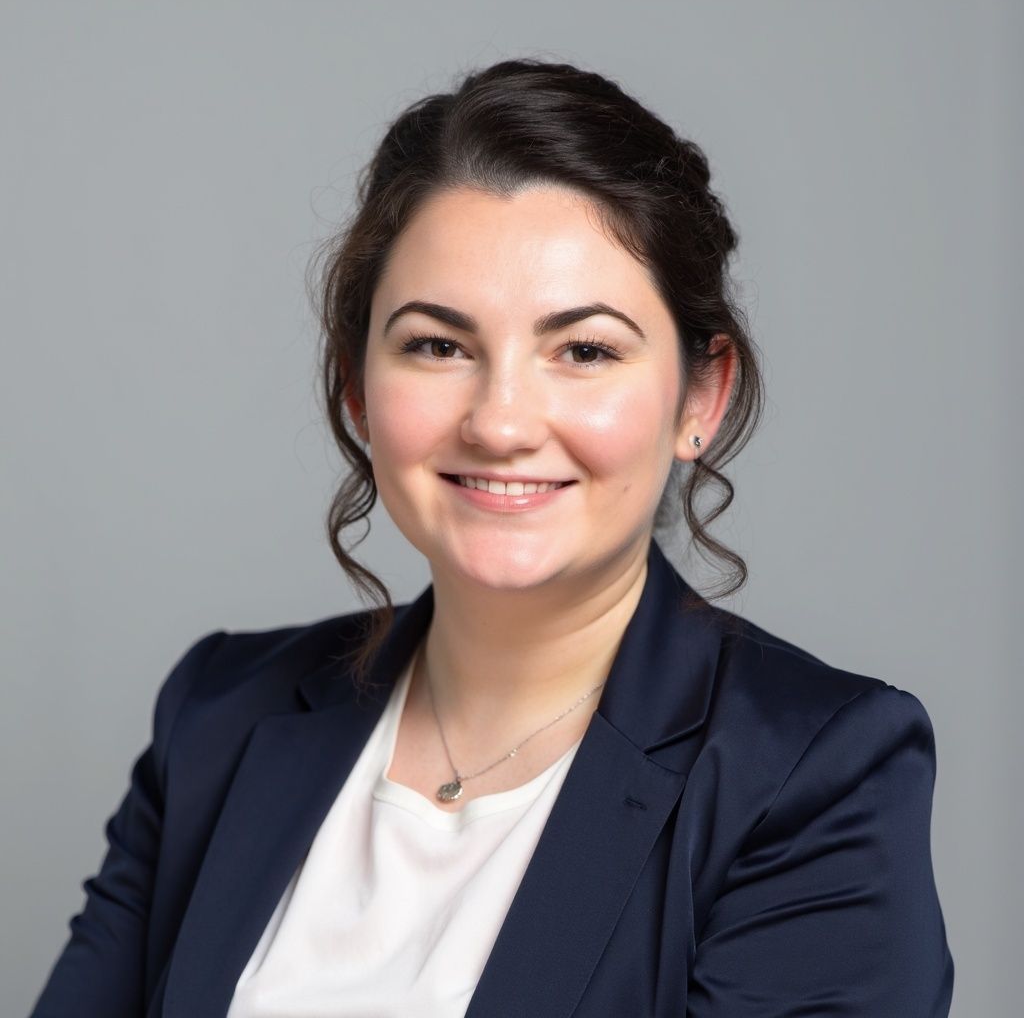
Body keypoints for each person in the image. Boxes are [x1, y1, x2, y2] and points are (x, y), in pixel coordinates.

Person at [30, 58, 954, 1017]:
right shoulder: (217, 716)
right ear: (357, 387)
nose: (501, 422)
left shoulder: (814, 775)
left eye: (584, 351)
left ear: (700, 397)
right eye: (438, 346)